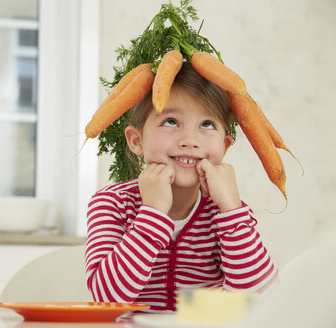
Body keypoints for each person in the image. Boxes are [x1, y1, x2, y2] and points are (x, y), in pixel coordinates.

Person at [85, 63, 278, 312]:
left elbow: (263, 298)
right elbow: (105, 298)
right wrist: (153, 212)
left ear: (225, 146)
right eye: (171, 121)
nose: (190, 141)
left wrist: (231, 209)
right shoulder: (112, 204)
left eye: (207, 124)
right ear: (136, 140)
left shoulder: (227, 212)